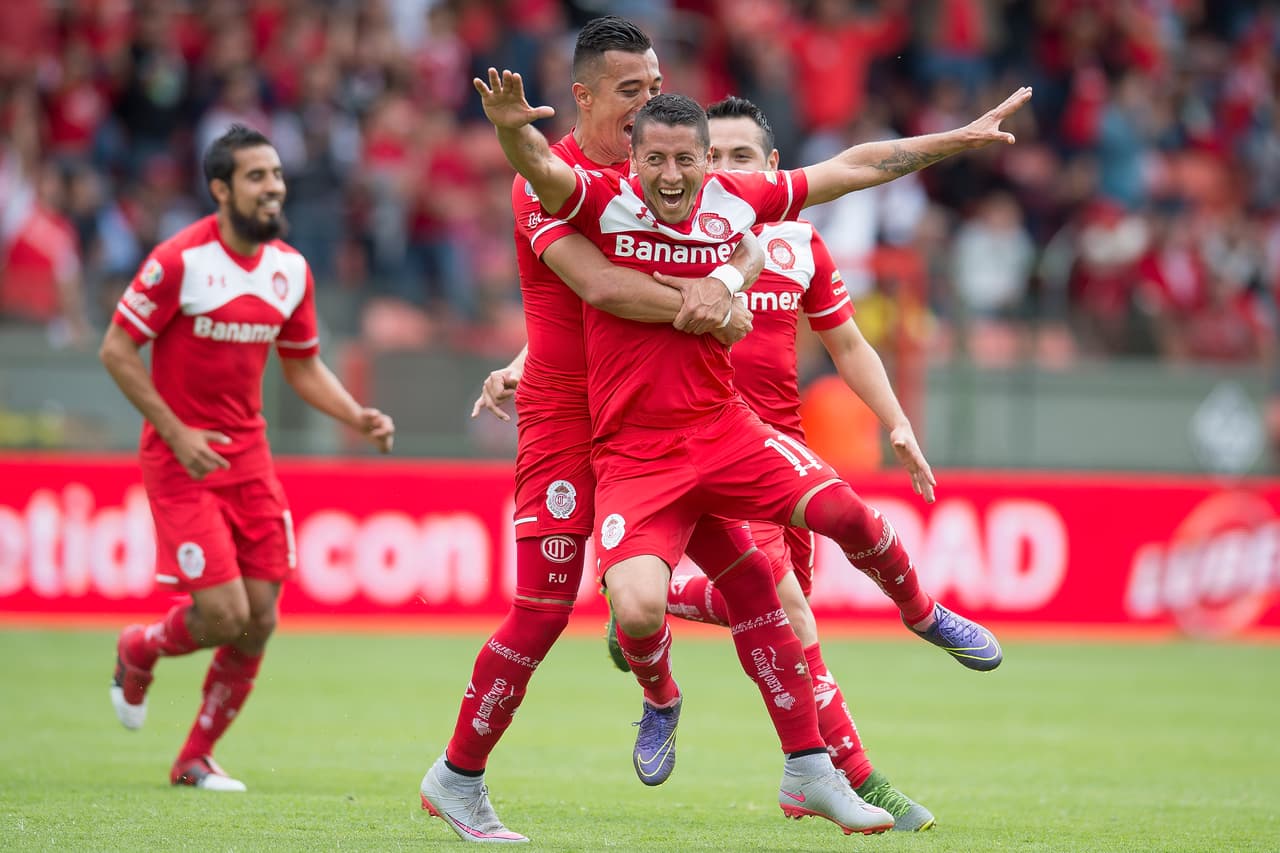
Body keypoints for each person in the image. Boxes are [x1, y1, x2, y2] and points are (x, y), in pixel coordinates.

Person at [475, 72, 1029, 831]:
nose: (679, 175)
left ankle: (920, 618)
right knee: (753, 607)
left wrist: (959, 139)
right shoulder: (602, 204)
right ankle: (781, 747)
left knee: (848, 525)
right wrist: (510, 129)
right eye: (659, 160)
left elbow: (858, 169)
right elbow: (563, 231)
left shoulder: (764, 224)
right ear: (632, 160)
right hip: (638, 452)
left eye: (707, 159)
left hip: (737, 436)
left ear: (744, 167)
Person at [418, 18, 766, 845]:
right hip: (565, 422)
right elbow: (603, 289)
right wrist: (715, 304)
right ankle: (456, 777)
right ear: (583, 96)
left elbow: (726, 245)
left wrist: (726, 275)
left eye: (657, 85)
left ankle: (765, 742)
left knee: (755, 579)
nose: (652, 104)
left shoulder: (659, 176)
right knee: (540, 611)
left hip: (655, 420)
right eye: (632, 92)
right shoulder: (550, 179)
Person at [632, 94, 940, 830]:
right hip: (709, 451)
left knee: (773, 616)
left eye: (744, 158)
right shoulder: (675, 239)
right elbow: (593, 299)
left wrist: (896, 422)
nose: (727, 170)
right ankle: (857, 776)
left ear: (772, 169)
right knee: (792, 614)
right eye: (717, 158)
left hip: (784, 459)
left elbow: (849, 346)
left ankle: (649, 610)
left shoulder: (801, 245)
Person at [102, 125, 395, 792]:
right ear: (221, 189)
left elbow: (302, 364)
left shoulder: (290, 268)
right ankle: (139, 648)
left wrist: (357, 415)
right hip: (183, 461)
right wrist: (177, 433)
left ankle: (194, 758)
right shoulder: (178, 261)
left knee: (261, 617)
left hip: (250, 459)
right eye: (257, 177)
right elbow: (116, 350)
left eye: (277, 175)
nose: (274, 188)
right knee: (225, 615)